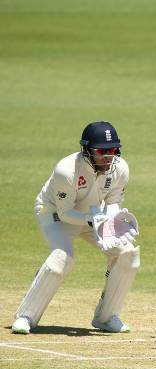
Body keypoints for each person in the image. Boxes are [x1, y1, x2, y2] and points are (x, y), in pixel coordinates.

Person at [11, 121, 140, 335]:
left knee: (127, 253)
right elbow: (65, 213)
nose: (108, 157)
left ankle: (106, 318)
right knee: (63, 257)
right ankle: (26, 316)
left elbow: (113, 203)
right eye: (102, 151)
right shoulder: (66, 170)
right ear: (87, 150)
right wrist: (94, 219)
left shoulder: (120, 169)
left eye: (113, 150)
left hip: (92, 216)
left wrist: (115, 218)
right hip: (55, 214)